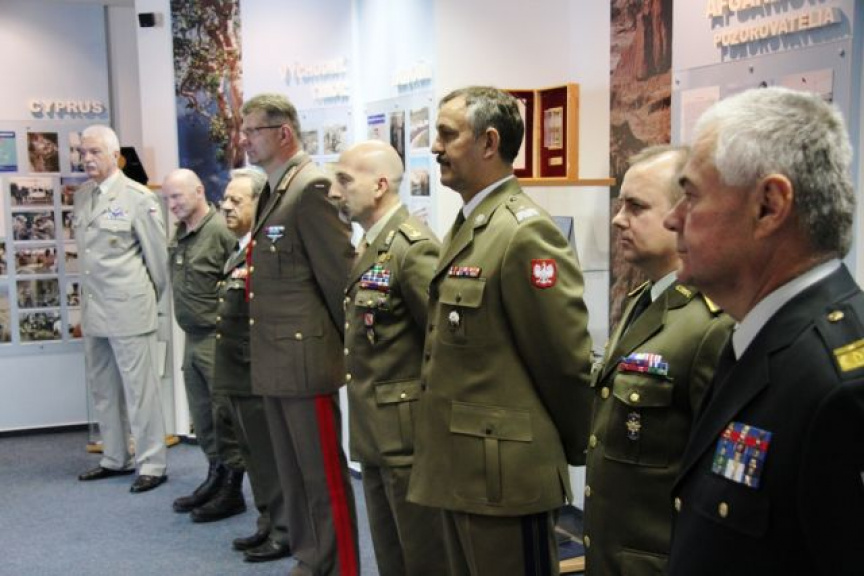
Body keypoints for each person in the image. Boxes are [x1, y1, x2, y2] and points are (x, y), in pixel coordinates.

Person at [663, 86, 864, 575]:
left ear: (769, 208)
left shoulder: (837, 385)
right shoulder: (764, 340)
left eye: (691, 195)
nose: (673, 218)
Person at [406, 86, 594, 575]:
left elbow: (563, 360)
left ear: (489, 143)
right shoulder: (473, 223)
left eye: (448, 134)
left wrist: (575, 447)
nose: (435, 147)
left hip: (505, 477)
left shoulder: (523, 232)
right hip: (462, 466)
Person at [582, 146, 732, 575]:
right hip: (611, 554)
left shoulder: (711, 324)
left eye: (636, 207)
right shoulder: (643, 300)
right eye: (620, 205)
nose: (618, 219)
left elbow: (715, 480)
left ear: (684, 214)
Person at [240, 93, 358, 575]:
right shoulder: (274, 190)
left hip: (306, 361)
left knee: (322, 475)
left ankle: (340, 567)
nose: (245, 140)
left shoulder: (311, 188)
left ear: (283, 132)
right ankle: (312, 559)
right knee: (294, 475)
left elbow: (339, 280)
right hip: (276, 361)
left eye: (253, 131)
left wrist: (348, 352)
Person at [328, 140, 447, 576]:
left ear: (379, 185)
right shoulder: (372, 245)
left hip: (407, 437)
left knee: (423, 558)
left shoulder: (413, 249)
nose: (334, 192)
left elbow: (442, 347)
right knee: (390, 554)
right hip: (376, 430)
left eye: (344, 181)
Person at [73, 124, 168, 493]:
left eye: (94, 152)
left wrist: (146, 301)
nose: (87, 159)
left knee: (140, 391)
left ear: (115, 156)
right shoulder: (83, 196)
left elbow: (158, 263)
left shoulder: (138, 197)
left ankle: (152, 463)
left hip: (129, 309)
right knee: (104, 388)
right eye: (82, 152)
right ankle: (115, 457)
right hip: (94, 309)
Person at [212, 167, 292, 562]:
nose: (226, 206)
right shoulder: (239, 249)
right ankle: (267, 521)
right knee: (253, 456)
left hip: (257, 375)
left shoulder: (267, 252)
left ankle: (284, 530)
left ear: (260, 205)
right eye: (225, 199)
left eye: (236, 200)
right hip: (237, 375)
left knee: (269, 458)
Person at [161, 168, 246, 522]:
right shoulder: (181, 233)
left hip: (217, 337)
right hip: (192, 338)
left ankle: (232, 488)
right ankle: (215, 475)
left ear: (199, 191)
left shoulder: (221, 231)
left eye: (177, 196)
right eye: (167, 199)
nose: (172, 204)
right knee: (203, 416)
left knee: (224, 415)